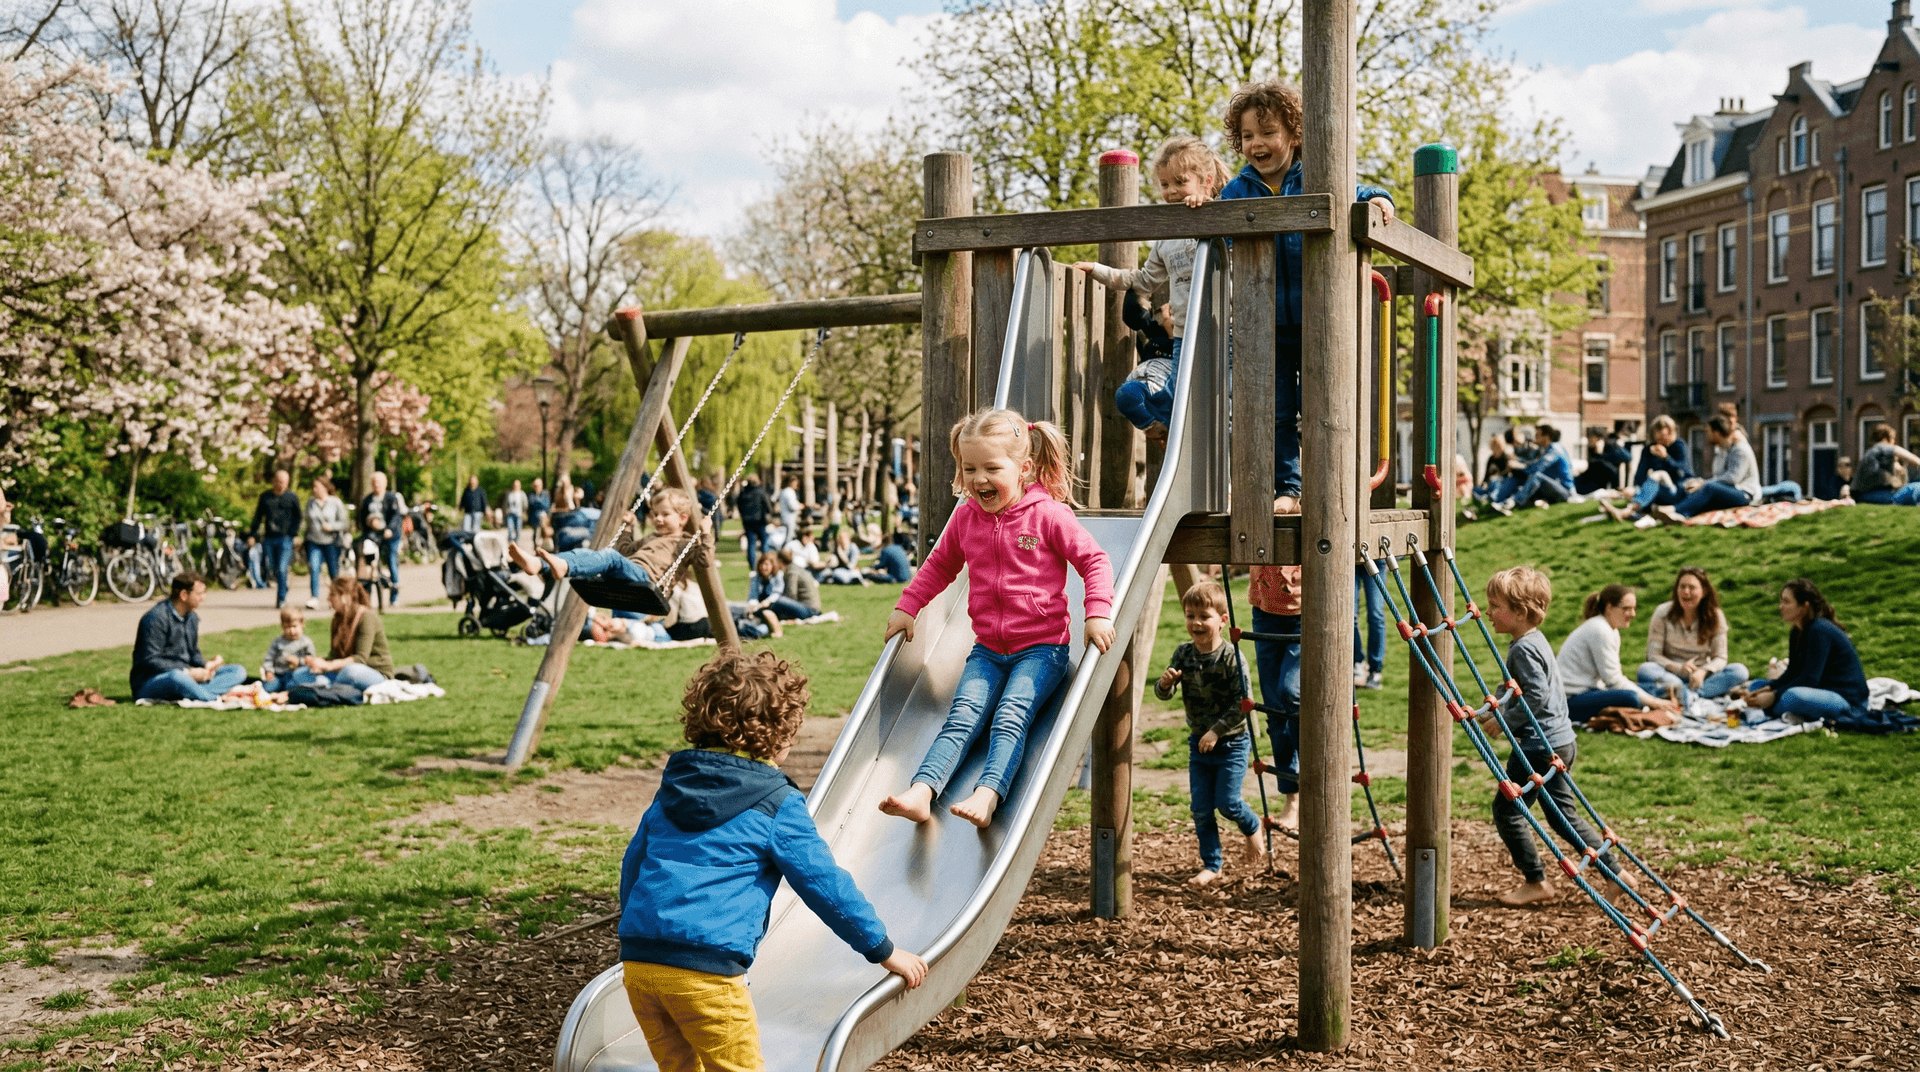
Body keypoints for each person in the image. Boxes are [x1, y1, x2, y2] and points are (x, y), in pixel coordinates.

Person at [616, 651, 926, 1071]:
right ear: (777, 733)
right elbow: (824, 884)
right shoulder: (776, 802)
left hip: (640, 964)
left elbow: (633, 865)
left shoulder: (673, 788)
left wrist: (637, 927)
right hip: (707, 973)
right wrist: (883, 950)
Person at [879, 408, 1116, 828]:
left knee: (1010, 714)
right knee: (962, 715)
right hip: (988, 649)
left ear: (1024, 469)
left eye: (992, 468)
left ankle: (988, 794)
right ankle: (922, 791)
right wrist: (907, 605)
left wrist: (1096, 612)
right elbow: (939, 565)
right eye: (970, 468)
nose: (979, 479)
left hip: (1042, 649)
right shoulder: (966, 518)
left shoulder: (1047, 515)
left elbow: (1094, 560)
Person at [1219, 78, 1394, 516]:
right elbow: (1219, 226)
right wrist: (1204, 211)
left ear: (1295, 134)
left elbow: (1356, 192)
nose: (1257, 144)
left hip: (1320, 319)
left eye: (1268, 132)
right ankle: (1288, 488)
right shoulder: (1239, 190)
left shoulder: (1316, 177)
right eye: (1247, 136)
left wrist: (1377, 198)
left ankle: (1330, 483)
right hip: (1265, 322)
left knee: (1321, 405)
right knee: (1275, 408)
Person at [1482, 567, 1626, 908]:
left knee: (1507, 811)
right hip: (1560, 741)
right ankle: (1616, 874)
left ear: (1520, 612)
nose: (1488, 612)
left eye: (1495, 606)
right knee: (1564, 818)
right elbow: (1515, 686)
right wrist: (1495, 706)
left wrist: (1504, 722)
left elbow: (1536, 695)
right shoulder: (1533, 640)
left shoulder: (1522, 649)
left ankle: (1536, 880)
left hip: (1538, 746)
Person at [1073, 135, 1229, 444]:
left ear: (1206, 181)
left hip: (1224, 330)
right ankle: (1172, 435)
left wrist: (1211, 212)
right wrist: (1097, 270)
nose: (1171, 192)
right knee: (1178, 398)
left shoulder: (1221, 217)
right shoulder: (1166, 239)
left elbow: (1237, 248)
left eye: (1180, 182)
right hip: (1184, 335)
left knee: (1224, 398)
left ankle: (1223, 448)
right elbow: (1143, 280)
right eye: (1165, 185)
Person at [1154, 581, 1263, 886]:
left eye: (1204, 616)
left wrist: (1215, 731)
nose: (1196, 623)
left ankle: (1252, 826)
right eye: (1190, 616)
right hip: (1199, 744)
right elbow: (1163, 694)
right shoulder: (1183, 653)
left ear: (1223, 620)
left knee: (1228, 803)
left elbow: (1243, 703)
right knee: (1201, 808)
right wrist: (1165, 684)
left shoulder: (1231, 657)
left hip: (1232, 742)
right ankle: (1212, 864)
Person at [507, 486, 708, 599]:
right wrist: (627, 529)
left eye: (665, 514)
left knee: (610, 556)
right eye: (655, 514)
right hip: (629, 572)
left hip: (648, 581)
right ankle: (539, 564)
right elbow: (626, 551)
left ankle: (562, 566)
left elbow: (705, 560)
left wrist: (706, 534)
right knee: (588, 553)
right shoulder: (652, 537)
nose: (658, 519)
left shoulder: (686, 543)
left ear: (683, 518)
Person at [1745, 579, 1870, 722]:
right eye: (1781, 601)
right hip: (1818, 690)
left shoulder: (1819, 630)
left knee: (1792, 696)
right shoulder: (1796, 631)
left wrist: (1774, 695)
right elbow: (1792, 672)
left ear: (1804, 607)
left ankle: (1766, 708)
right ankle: (1766, 706)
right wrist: (1768, 688)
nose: (1780, 607)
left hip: (1847, 700)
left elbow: (1810, 679)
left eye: (1786, 602)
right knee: (1756, 686)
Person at [1556, 584, 1676, 724]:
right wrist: (1653, 702)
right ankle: (1662, 701)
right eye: (1626, 609)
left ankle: (1663, 696)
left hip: (1591, 690)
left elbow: (1612, 680)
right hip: (1570, 701)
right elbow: (1613, 681)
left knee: (1650, 689)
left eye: (1634, 608)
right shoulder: (1600, 630)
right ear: (1609, 608)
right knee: (1631, 698)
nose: (1633, 614)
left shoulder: (1609, 629)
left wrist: (1651, 698)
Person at [1637, 567, 1748, 709]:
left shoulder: (1715, 616)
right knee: (1645, 669)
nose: (1686, 592)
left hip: (1701, 677)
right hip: (1671, 673)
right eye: (1682, 587)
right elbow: (1653, 655)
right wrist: (1679, 668)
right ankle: (1687, 692)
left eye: (1692, 587)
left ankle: (1685, 693)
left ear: (1704, 591)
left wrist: (1703, 672)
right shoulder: (1662, 613)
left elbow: (1720, 657)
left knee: (1739, 671)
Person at [130, 572, 247, 702]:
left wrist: (207, 665)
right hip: (152, 680)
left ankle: (199, 692)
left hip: (187, 675)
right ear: (184, 595)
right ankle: (211, 696)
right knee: (177, 677)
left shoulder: (191, 617)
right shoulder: (155, 618)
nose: (203, 598)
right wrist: (187, 672)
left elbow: (193, 653)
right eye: (199, 594)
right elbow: (151, 660)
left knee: (238, 671)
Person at [1245, 564, 1302, 830]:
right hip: (1264, 609)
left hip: (1305, 609)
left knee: (1291, 693)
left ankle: (1313, 778)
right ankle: (1293, 798)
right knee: (1275, 712)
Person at [292, 576, 392, 691]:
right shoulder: (337, 619)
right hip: (342, 671)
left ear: (345, 596)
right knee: (299, 673)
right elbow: (334, 656)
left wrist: (329, 666)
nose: (328, 599)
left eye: (332, 595)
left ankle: (326, 687)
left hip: (373, 672)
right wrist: (317, 662)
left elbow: (360, 659)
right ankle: (328, 687)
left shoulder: (367, 617)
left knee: (350, 672)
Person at [1657, 415, 1759, 522]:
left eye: (1708, 431)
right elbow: (1718, 475)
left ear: (1716, 433)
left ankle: (1675, 510)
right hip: (1731, 490)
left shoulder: (1740, 450)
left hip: (1745, 494)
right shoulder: (1722, 450)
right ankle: (1680, 514)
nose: (1706, 435)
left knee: (1708, 487)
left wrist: (1703, 483)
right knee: (1693, 489)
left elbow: (1733, 478)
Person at [1603, 414, 1691, 524]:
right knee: (1635, 490)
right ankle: (1630, 511)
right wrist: (1635, 489)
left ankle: (1628, 510)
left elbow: (1683, 474)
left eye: (1665, 436)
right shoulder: (1649, 450)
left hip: (1676, 491)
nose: (1662, 441)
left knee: (1659, 474)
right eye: (1658, 438)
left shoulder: (1679, 445)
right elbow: (1640, 475)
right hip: (1658, 491)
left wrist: (1666, 458)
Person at [248, 469, 302, 608]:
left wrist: (294, 534)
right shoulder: (265, 497)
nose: (283, 485)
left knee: (282, 568)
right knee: (273, 568)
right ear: (274, 481)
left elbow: (298, 517)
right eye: (280, 482)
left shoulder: (292, 498)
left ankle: (281, 598)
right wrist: (252, 534)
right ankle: (284, 586)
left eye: (285, 482)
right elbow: (258, 516)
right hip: (269, 538)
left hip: (285, 538)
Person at [1491, 425, 1571, 514]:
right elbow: (1534, 463)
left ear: (1546, 437)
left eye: (1537, 435)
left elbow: (1537, 468)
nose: (1534, 438)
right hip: (1548, 487)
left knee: (1537, 476)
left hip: (1564, 491)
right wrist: (1518, 460)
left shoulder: (1555, 449)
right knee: (1516, 479)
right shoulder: (1546, 449)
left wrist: (1520, 465)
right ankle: (1497, 502)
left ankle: (1511, 503)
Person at [359, 472, 407, 604]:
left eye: (379, 482)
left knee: (391, 560)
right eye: (374, 482)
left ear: (385, 483)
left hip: (391, 536)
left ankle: (394, 594)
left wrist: (389, 529)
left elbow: (396, 516)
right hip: (373, 536)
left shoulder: (391, 498)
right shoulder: (368, 500)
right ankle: (368, 595)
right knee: (369, 563)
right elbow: (362, 518)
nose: (376, 485)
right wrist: (370, 525)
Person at [303, 477, 348, 610]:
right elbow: (306, 522)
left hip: (331, 542)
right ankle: (314, 597)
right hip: (314, 541)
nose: (314, 489)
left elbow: (345, 523)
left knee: (333, 571)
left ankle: (335, 597)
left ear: (325, 488)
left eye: (316, 486)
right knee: (314, 567)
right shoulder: (310, 503)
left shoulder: (335, 502)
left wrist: (332, 526)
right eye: (313, 487)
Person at [1851, 424, 1920, 505]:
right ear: (1884, 439)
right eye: (1893, 439)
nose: (1894, 442)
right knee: (1915, 488)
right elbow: (1900, 451)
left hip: (1868, 495)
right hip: (1873, 495)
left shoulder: (1873, 454)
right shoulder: (1879, 447)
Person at [260, 605, 318, 693]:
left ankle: (288, 692)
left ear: (302, 624)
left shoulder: (306, 643)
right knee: (267, 688)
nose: (291, 631)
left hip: (295, 675)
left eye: (294, 626)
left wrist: (299, 661)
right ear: (282, 626)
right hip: (278, 674)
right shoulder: (278, 642)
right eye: (287, 627)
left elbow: (312, 661)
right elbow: (269, 658)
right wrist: (269, 671)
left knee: (292, 688)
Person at [1573, 427, 1631, 497]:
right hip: (1592, 477)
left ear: (1599, 438)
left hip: (1602, 480)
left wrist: (1600, 454)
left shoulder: (1611, 445)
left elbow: (1628, 457)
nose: (1589, 441)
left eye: (1591, 439)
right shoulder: (1592, 449)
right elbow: (1592, 466)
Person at [735, 474, 773, 568]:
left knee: (751, 543)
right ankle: (766, 561)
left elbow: (739, 505)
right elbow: (767, 505)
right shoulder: (760, 491)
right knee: (764, 540)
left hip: (748, 521)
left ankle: (752, 565)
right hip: (760, 520)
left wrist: (743, 515)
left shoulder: (743, 492)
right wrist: (769, 513)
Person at [526, 477, 552, 548]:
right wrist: (540, 503)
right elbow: (531, 503)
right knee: (536, 532)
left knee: (544, 530)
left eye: (538, 486)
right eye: (535, 486)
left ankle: (544, 545)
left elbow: (546, 505)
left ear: (541, 486)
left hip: (545, 518)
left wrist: (537, 502)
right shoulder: (531, 494)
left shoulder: (545, 494)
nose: (537, 487)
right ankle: (537, 545)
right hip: (534, 517)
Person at [777, 475, 802, 541]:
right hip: (789, 519)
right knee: (789, 538)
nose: (797, 484)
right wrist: (801, 506)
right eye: (795, 482)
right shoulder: (789, 491)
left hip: (785, 517)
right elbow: (793, 506)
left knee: (788, 537)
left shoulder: (784, 491)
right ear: (790, 482)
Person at [504, 479, 528, 544]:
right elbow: (506, 503)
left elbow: (525, 504)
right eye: (515, 485)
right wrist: (506, 510)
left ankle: (516, 542)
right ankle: (511, 542)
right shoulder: (509, 493)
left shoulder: (522, 494)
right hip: (510, 514)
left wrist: (524, 512)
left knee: (518, 530)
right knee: (510, 529)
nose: (516, 486)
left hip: (519, 515)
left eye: (517, 485)